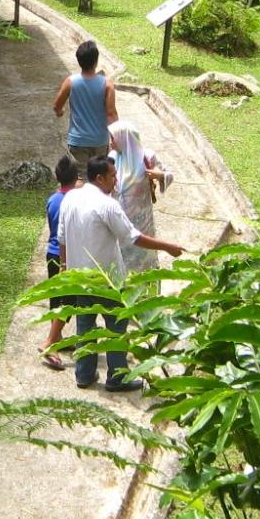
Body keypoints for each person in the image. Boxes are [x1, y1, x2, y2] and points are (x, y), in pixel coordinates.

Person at [54, 154, 185, 392]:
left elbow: (62, 238)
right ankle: (117, 377)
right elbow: (133, 237)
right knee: (116, 328)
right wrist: (168, 246)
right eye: (113, 176)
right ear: (100, 177)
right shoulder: (107, 205)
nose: (116, 181)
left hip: (79, 279)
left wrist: (65, 267)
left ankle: (84, 374)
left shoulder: (70, 198)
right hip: (107, 280)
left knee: (85, 326)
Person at [107, 120, 171, 275]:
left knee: (143, 256)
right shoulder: (112, 158)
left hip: (142, 220)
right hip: (120, 218)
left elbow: (168, 174)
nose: (110, 143)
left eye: (113, 138)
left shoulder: (147, 157)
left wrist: (159, 175)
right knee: (122, 258)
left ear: (124, 138)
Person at [53, 39, 116, 169]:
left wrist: (60, 112)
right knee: (99, 178)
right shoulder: (107, 85)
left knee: (80, 179)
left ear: (79, 60)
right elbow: (111, 114)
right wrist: (116, 137)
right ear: (96, 61)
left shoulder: (70, 82)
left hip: (78, 141)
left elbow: (57, 105)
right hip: (100, 140)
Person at [41, 154, 78, 371]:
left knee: (55, 298)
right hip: (67, 256)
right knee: (69, 301)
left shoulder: (53, 199)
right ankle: (51, 342)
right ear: (76, 178)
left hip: (51, 252)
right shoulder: (74, 201)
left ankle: (57, 335)